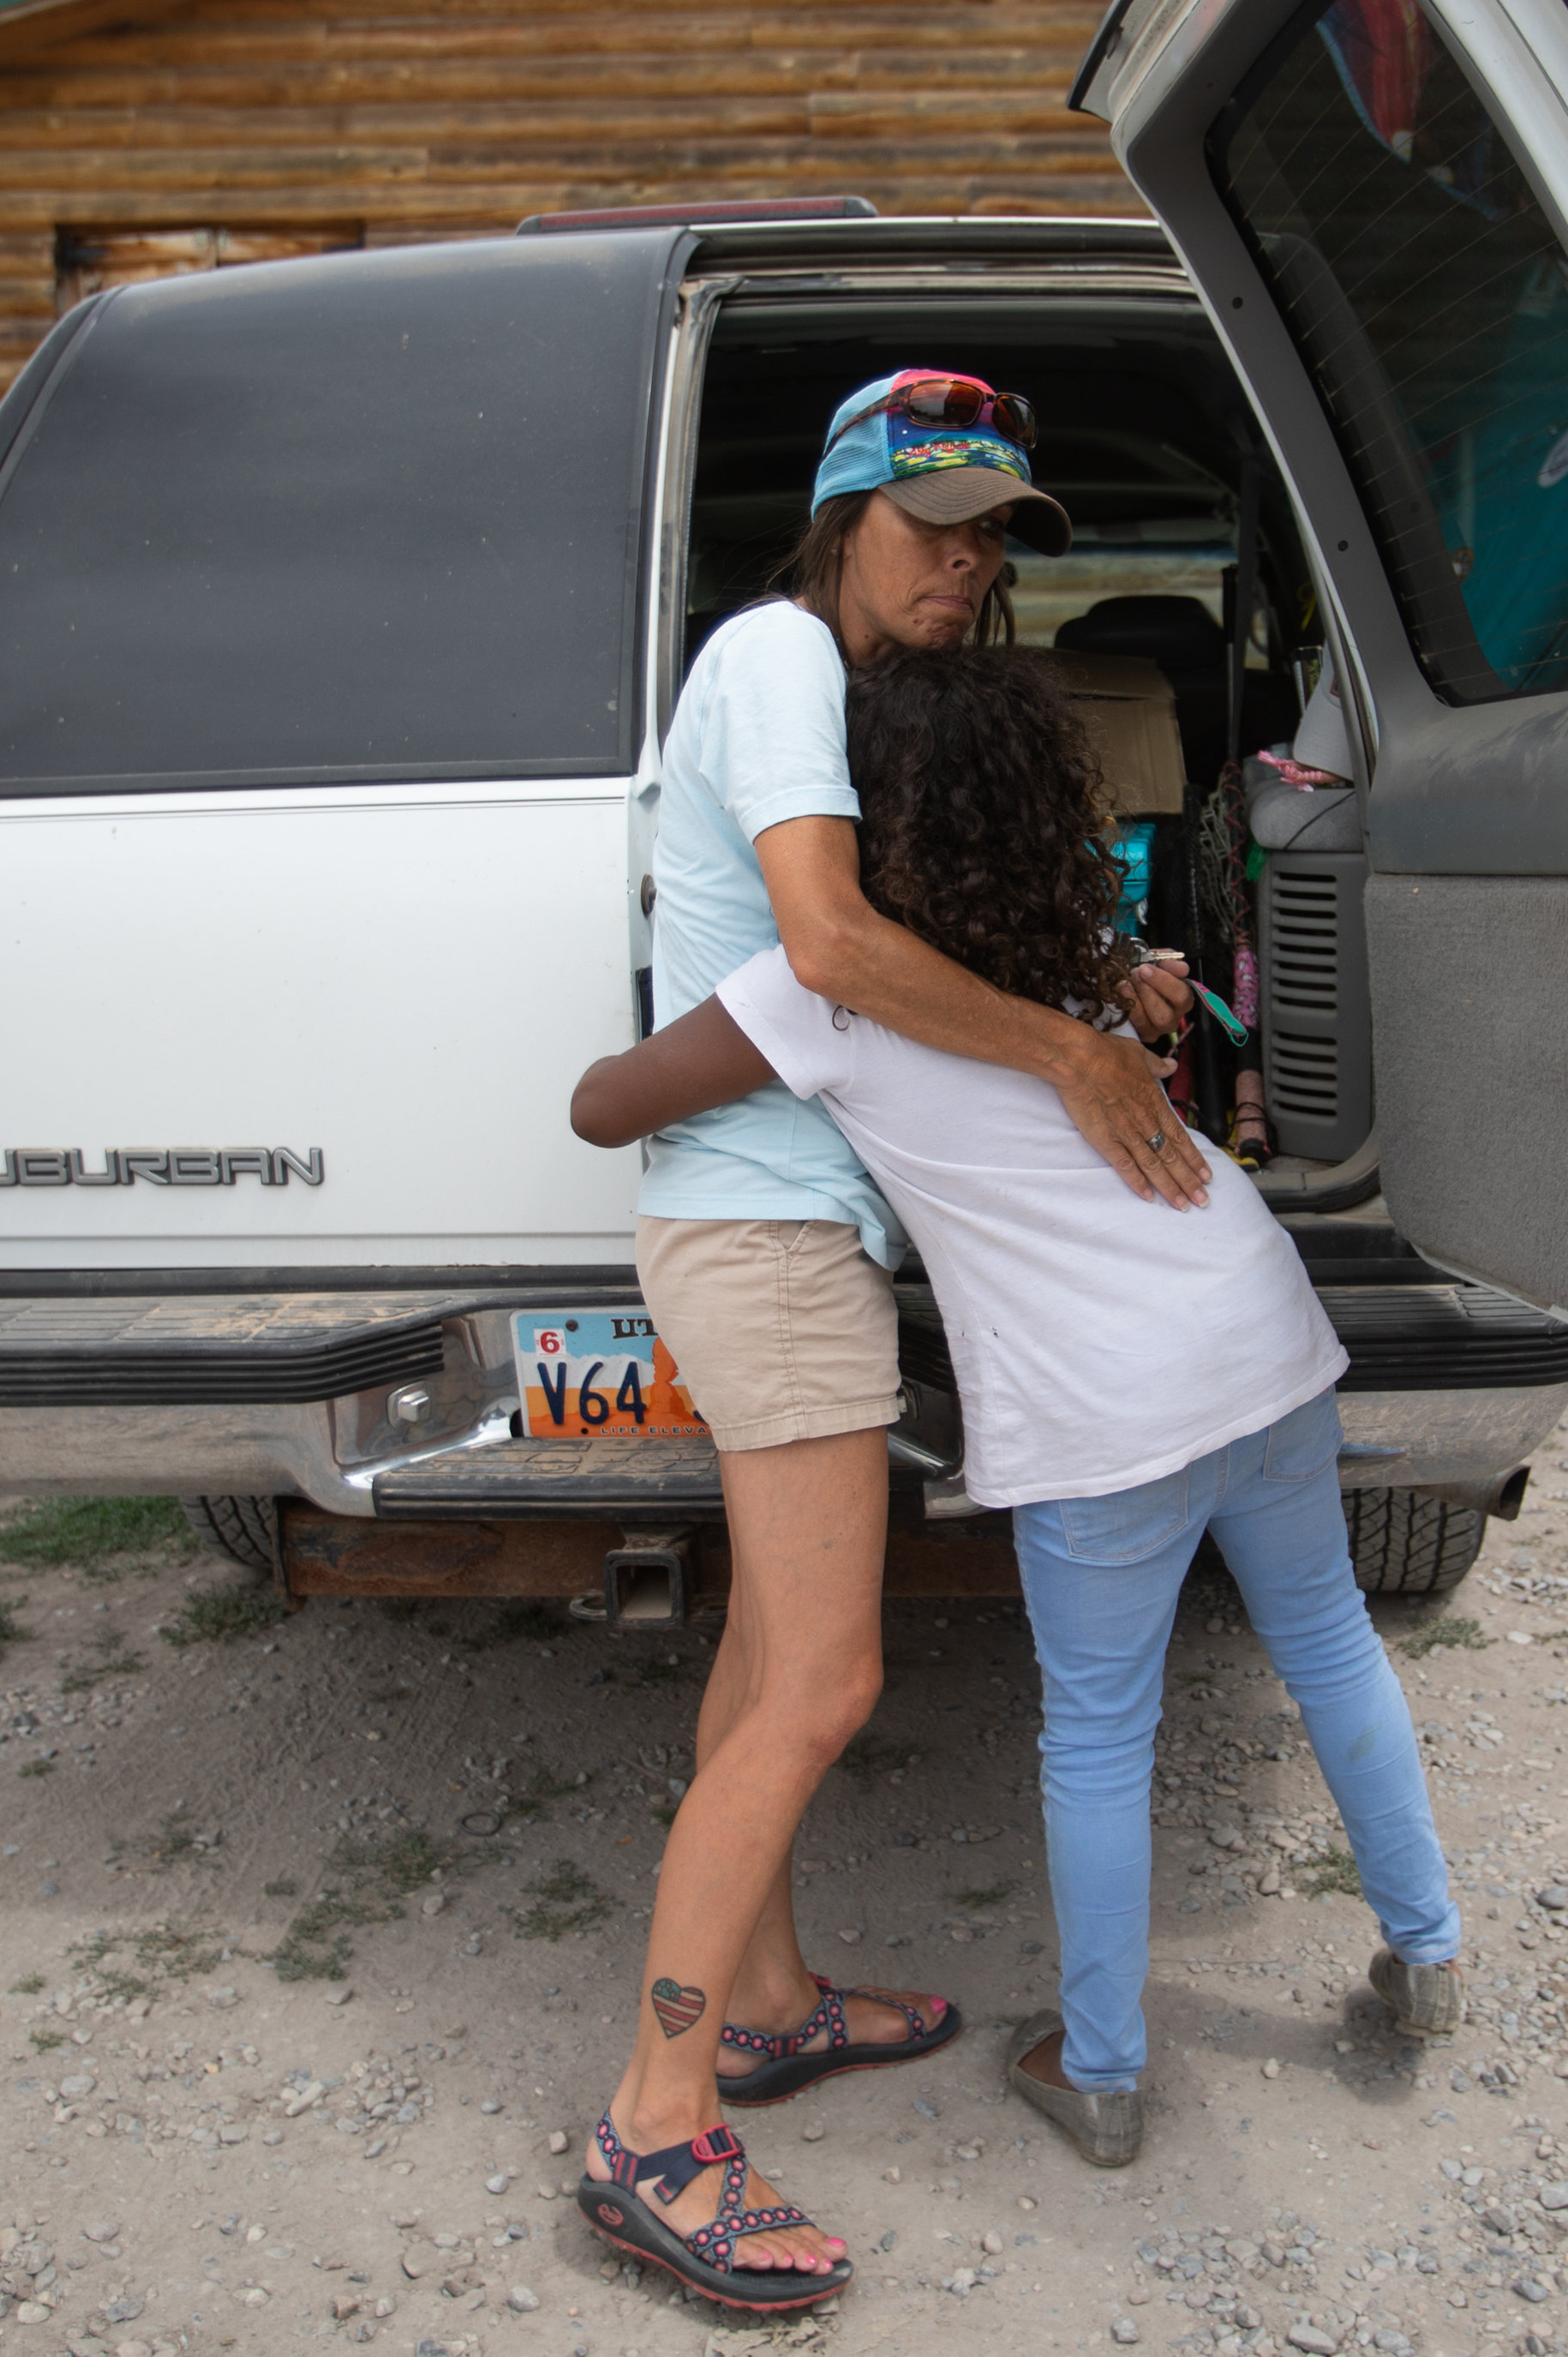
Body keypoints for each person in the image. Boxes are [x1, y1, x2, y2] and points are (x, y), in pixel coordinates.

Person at [573, 636, 1467, 2181]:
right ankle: (1429, 1955)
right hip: (1257, 1327)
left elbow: (604, 1106)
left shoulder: (816, 989)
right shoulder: (1066, 956)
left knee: (1103, 1734)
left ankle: (1105, 2073)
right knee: (1327, 1643)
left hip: (1106, 1401)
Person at [574, 372, 1210, 2312]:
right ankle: (653, 2121)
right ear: (842, 515)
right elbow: (835, 946)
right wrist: (1075, 1045)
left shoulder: (840, 692)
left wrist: (1098, 972)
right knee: (826, 1681)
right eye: (929, 523)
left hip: (780, 1219)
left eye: (992, 532)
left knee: (771, 1650)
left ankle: (761, 2002)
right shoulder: (776, 649)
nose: (964, 563)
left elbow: (896, 925)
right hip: (761, 1232)